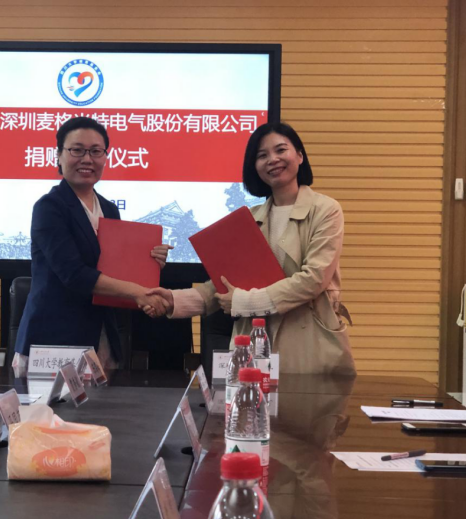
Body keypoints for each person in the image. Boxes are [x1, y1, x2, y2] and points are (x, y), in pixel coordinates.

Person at [146, 122, 355, 376]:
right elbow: (222, 285)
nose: (272, 160)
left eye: (281, 150)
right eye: (262, 155)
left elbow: (314, 279)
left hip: (309, 347)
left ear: (300, 156)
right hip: (254, 350)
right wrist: (173, 300)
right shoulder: (249, 218)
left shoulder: (326, 210)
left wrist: (243, 301)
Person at [13, 117, 171, 374]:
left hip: (100, 335)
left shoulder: (108, 209)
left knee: (102, 402)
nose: (87, 159)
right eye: (77, 150)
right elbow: (73, 274)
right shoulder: (49, 207)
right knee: (53, 403)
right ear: (59, 155)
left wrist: (149, 263)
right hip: (54, 338)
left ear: (106, 157)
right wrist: (137, 290)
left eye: (96, 151)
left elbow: (115, 270)